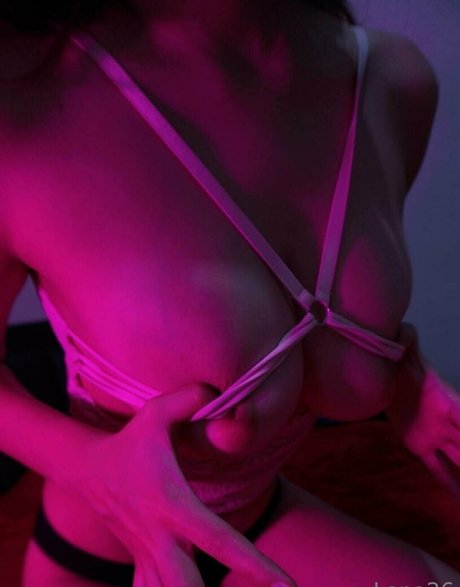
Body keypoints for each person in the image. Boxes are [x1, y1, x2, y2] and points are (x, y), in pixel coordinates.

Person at [1, 0, 460, 585]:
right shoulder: (26, 106)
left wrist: (402, 376)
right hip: (96, 558)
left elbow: (311, 313)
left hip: (257, 523)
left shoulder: (394, 84)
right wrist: (95, 468)